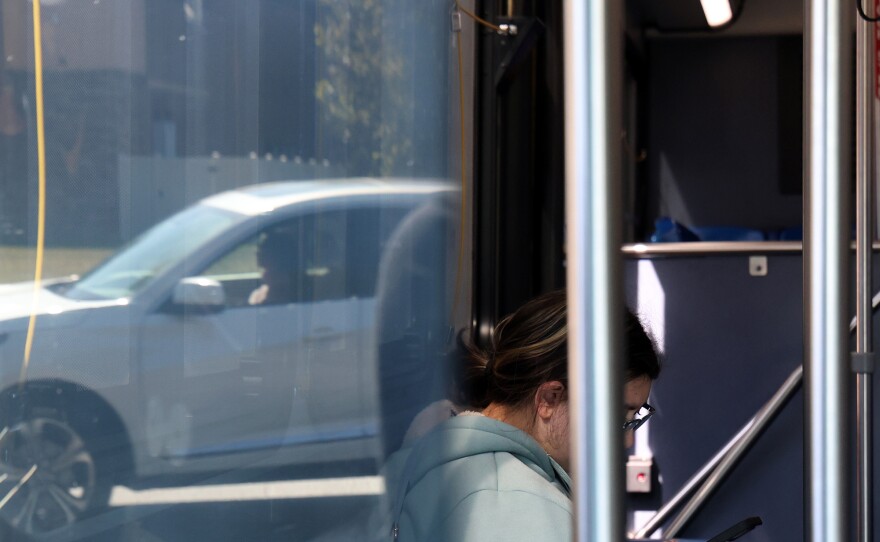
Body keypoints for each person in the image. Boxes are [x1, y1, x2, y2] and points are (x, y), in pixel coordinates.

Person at [383, 289, 661, 541]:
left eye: (634, 419)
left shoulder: (424, 465)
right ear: (550, 399)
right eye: (619, 418)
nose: (627, 441)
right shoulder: (521, 506)